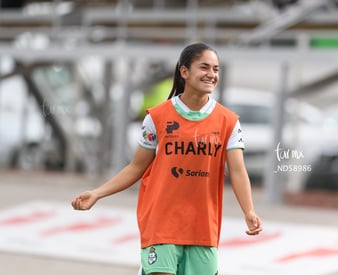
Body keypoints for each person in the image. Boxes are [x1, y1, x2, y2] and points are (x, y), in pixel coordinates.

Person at [71, 42, 263, 275]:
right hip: (161, 223)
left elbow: (238, 171)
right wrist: (98, 193)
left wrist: (249, 211)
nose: (211, 75)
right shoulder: (157, 117)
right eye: (204, 67)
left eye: (216, 69)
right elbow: (136, 167)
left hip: (203, 228)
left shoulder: (229, 122)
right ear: (184, 72)